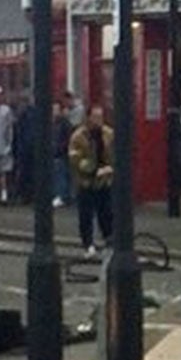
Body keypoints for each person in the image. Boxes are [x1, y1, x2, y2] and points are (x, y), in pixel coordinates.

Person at [68, 102, 116, 257]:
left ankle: (110, 241)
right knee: (86, 215)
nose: (99, 120)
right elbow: (75, 158)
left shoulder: (109, 134)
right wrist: (92, 169)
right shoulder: (78, 136)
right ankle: (88, 244)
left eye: (101, 116)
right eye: (95, 117)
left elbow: (115, 155)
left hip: (105, 181)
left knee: (106, 213)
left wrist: (110, 168)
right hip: (86, 182)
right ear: (88, 118)